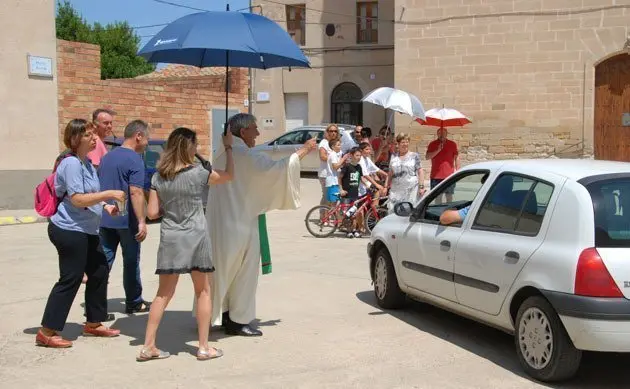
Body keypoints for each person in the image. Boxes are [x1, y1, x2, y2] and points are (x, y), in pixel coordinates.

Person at [199, 113, 317, 337]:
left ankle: (222, 313)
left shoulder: (223, 151)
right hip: (240, 223)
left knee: (223, 270)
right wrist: (304, 150)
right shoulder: (243, 154)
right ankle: (238, 320)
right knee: (244, 272)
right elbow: (275, 170)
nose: (258, 133)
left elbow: (264, 155)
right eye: (254, 128)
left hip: (221, 222)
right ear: (242, 132)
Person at [137, 127, 234, 362]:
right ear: (189, 147)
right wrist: (228, 147)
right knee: (203, 291)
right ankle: (203, 347)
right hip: (196, 236)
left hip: (171, 237)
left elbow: (151, 213)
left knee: (163, 294)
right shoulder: (199, 173)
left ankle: (148, 346)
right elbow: (229, 175)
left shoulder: (158, 176)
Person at [36, 119, 125, 348]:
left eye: (94, 134)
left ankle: (93, 323)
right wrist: (109, 194)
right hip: (68, 229)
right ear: (76, 139)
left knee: (99, 271)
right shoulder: (71, 164)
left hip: (86, 229)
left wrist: (106, 206)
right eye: (88, 135)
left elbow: (91, 196)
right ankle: (47, 330)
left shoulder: (87, 163)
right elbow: (76, 199)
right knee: (71, 277)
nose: (95, 138)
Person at [98, 120, 151, 314]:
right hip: (126, 221)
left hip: (105, 219)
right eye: (147, 138)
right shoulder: (135, 159)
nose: (146, 143)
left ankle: (96, 306)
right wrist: (142, 221)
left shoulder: (107, 157)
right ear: (138, 136)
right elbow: (136, 192)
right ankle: (134, 301)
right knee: (130, 262)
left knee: (103, 262)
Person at [388, 133, 425, 213]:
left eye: (407, 142)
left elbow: (420, 171)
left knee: (409, 212)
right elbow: (390, 173)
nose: (405, 144)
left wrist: (421, 187)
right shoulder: (393, 156)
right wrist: (385, 186)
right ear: (398, 144)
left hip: (411, 190)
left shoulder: (414, 156)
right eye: (403, 142)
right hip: (396, 191)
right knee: (394, 212)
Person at [339, 147, 369, 238]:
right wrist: (341, 189)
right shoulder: (347, 166)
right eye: (357, 155)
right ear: (351, 156)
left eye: (360, 155)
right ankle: (349, 231)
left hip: (355, 194)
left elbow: (360, 178)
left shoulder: (359, 167)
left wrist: (367, 185)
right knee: (347, 213)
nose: (359, 157)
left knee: (354, 213)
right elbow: (340, 178)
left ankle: (355, 229)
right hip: (347, 194)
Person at [425, 127, 460, 203]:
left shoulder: (452, 144)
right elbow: (427, 157)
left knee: (449, 197)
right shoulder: (432, 144)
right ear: (437, 134)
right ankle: (438, 214)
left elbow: (456, 158)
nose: (441, 135)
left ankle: (449, 213)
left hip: (449, 176)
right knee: (437, 198)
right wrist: (437, 150)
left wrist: (458, 171)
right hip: (436, 176)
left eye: (443, 133)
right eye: (440, 133)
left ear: (446, 134)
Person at [317, 124, 339, 215]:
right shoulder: (324, 143)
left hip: (334, 175)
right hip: (325, 174)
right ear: (327, 132)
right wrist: (334, 160)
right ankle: (323, 217)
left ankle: (329, 216)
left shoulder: (336, 143)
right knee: (326, 196)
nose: (333, 133)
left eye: (335, 131)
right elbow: (322, 156)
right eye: (331, 131)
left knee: (333, 197)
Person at [324, 138, 349, 208]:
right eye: (338, 145)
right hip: (333, 182)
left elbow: (338, 165)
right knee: (334, 203)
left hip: (333, 181)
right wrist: (343, 158)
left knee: (331, 203)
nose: (340, 146)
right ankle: (331, 218)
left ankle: (328, 217)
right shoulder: (333, 155)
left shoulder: (334, 154)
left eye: (340, 145)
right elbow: (335, 167)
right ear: (333, 147)